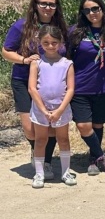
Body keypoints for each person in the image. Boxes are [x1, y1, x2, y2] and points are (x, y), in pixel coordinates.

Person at [2, 0, 68, 180]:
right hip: (24, 81)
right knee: (31, 130)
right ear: (36, 5)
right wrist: (24, 60)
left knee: (51, 125)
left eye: (51, 4)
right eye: (44, 3)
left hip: (53, 84)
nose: (48, 7)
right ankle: (36, 150)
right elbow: (6, 51)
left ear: (56, 7)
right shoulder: (21, 26)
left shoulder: (61, 28)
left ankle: (45, 162)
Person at [67, 0, 105, 176]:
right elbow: (66, 58)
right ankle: (101, 156)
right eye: (87, 10)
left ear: (102, 9)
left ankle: (93, 158)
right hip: (80, 87)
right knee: (83, 125)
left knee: (97, 124)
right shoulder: (75, 32)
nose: (92, 13)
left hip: (104, 87)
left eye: (95, 8)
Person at [28, 25, 75, 188]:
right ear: (40, 42)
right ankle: (39, 174)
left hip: (61, 108)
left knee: (63, 139)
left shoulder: (67, 63)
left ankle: (65, 171)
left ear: (60, 42)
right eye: (46, 42)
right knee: (40, 140)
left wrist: (60, 110)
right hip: (41, 109)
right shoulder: (36, 63)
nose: (50, 46)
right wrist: (43, 110)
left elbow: (71, 89)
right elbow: (32, 88)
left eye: (54, 42)